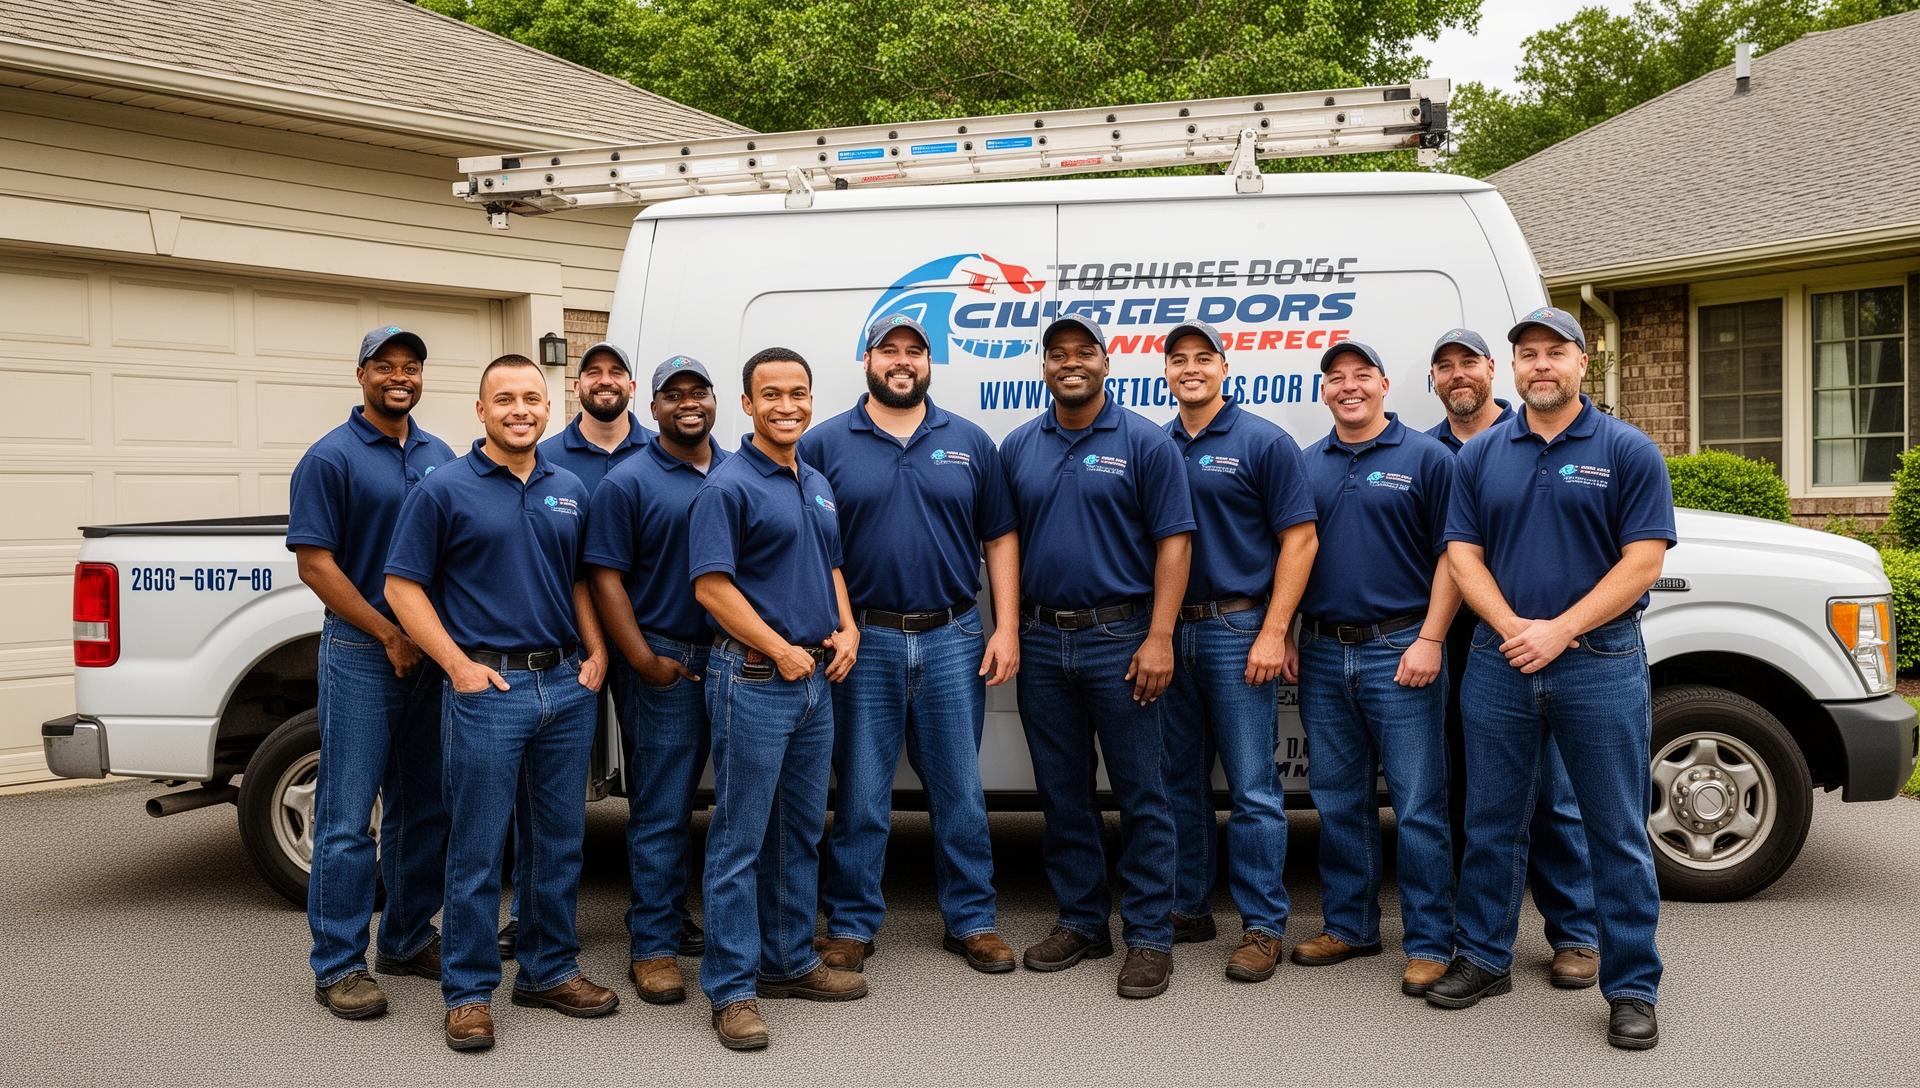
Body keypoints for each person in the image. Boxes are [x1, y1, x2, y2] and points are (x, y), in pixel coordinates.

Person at [1428, 306, 1675, 1051]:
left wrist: (1560, 629)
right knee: (1491, 825)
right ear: (1513, 368)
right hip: (1500, 666)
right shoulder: (1478, 457)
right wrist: (1510, 628)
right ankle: (1483, 958)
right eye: (1527, 353)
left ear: (1581, 363)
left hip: (1598, 663)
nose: (1540, 364)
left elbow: (1644, 561)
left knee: (1615, 831)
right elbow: (1461, 553)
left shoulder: (1627, 450)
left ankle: (1632, 987)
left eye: (1554, 352)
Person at [384, 353, 617, 1052]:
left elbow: (576, 580)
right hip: (489, 689)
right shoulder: (444, 489)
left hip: (565, 687)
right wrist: (455, 665)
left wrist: (596, 648)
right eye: (505, 399)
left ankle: (548, 970)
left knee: (558, 844)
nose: (521, 409)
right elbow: (402, 588)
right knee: (479, 849)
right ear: (481, 412)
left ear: (549, 410)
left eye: (532, 399)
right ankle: (467, 992)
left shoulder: (569, 487)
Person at [802, 315, 1022, 975]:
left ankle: (973, 921)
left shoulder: (970, 441)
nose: (902, 362)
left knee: (959, 790)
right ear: (866, 359)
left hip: (954, 635)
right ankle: (850, 924)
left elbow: (1001, 536)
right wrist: (833, 626)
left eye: (914, 352)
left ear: (930, 363)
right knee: (863, 793)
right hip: (861, 639)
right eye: (889, 350)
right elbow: (806, 546)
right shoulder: (823, 444)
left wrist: (1006, 626)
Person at [999, 315, 1193, 1000]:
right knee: (1063, 793)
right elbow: (1003, 545)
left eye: (1084, 352)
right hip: (1043, 640)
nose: (1070, 363)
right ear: (1044, 366)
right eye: (1058, 354)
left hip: (1122, 638)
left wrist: (1161, 636)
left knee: (1145, 793)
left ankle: (1148, 937)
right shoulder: (1019, 445)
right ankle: (1083, 920)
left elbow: (1175, 542)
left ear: (1107, 362)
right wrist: (1007, 628)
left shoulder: (1144, 441)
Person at [688, 347, 865, 1050]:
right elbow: (711, 588)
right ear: (747, 404)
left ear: (811, 400)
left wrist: (846, 626)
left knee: (799, 831)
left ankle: (789, 960)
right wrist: (781, 647)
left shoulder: (814, 479)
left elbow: (830, 562)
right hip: (757, 680)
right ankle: (731, 989)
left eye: (797, 393)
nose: (786, 405)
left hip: (815, 680)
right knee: (740, 839)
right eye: (771, 394)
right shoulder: (728, 486)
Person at [1426, 327, 1601, 990]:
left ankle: (1575, 934)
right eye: (1444, 367)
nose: (1457, 375)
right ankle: (1475, 941)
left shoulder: (1547, 439)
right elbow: (1449, 554)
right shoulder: (1426, 450)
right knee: (1479, 803)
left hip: (1543, 644)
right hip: (1462, 649)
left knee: (1554, 796)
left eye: (1468, 362)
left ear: (1493, 370)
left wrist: (1547, 629)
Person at [289, 325, 454, 1020]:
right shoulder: (330, 458)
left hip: (429, 658)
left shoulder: (439, 454)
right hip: (364, 653)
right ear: (361, 375)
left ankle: (408, 937)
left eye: (410, 367)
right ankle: (338, 965)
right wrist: (388, 630)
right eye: (385, 366)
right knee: (348, 817)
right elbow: (315, 564)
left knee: (426, 807)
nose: (399, 377)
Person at [1291, 339, 1459, 998]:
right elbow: (1293, 556)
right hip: (1325, 651)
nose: (1349, 386)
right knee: (1338, 800)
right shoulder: (1306, 465)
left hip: (1402, 649)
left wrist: (1431, 639)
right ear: (1324, 391)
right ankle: (1350, 926)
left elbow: (1455, 556)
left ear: (1386, 385)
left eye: (1362, 375)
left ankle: (1428, 941)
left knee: (1419, 805)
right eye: (1337, 378)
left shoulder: (1427, 458)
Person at [1157, 321, 1318, 983]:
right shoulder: (1152, 444)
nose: (1191, 369)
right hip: (1169, 633)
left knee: (1253, 787)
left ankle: (1261, 925)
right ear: (1164, 373)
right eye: (1179, 360)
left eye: (1203, 358)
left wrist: (1276, 630)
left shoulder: (1263, 442)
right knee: (1178, 783)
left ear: (1224, 367)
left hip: (1237, 628)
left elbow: (1300, 540)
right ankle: (1188, 906)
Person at [496, 340, 657, 960]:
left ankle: (657, 913)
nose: (605, 380)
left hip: (649, 642)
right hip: (571, 652)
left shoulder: (665, 446)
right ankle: (529, 918)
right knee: (543, 792)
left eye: (617, 371)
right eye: (593, 372)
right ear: (578, 387)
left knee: (653, 784)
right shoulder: (545, 456)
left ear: (633, 386)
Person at [585, 355, 727, 1007]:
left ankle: (731, 933)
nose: (688, 403)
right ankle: (653, 947)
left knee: (744, 805)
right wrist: (640, 659)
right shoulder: (628, 480)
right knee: (663, 807)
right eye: (675, 395)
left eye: (699, 391)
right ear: (655, 408)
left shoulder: (742, 469)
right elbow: (605, 577)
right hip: (666, 658)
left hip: (738, 658)